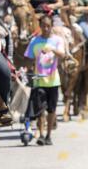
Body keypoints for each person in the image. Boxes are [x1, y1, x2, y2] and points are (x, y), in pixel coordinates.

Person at [24, 14, 65, 145]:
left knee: (51, 110)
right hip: (38, 80)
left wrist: (52, 49)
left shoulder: (57, 40)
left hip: (53, 81)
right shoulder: (34, 41)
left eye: (48, 26)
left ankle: (48, 135)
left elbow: (62, 55)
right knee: (40, 110)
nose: (46, 28)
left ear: (52, 26)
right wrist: (27, 69)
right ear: (40, 26)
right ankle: (41, 135)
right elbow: (29, 58)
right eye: (43, 26)